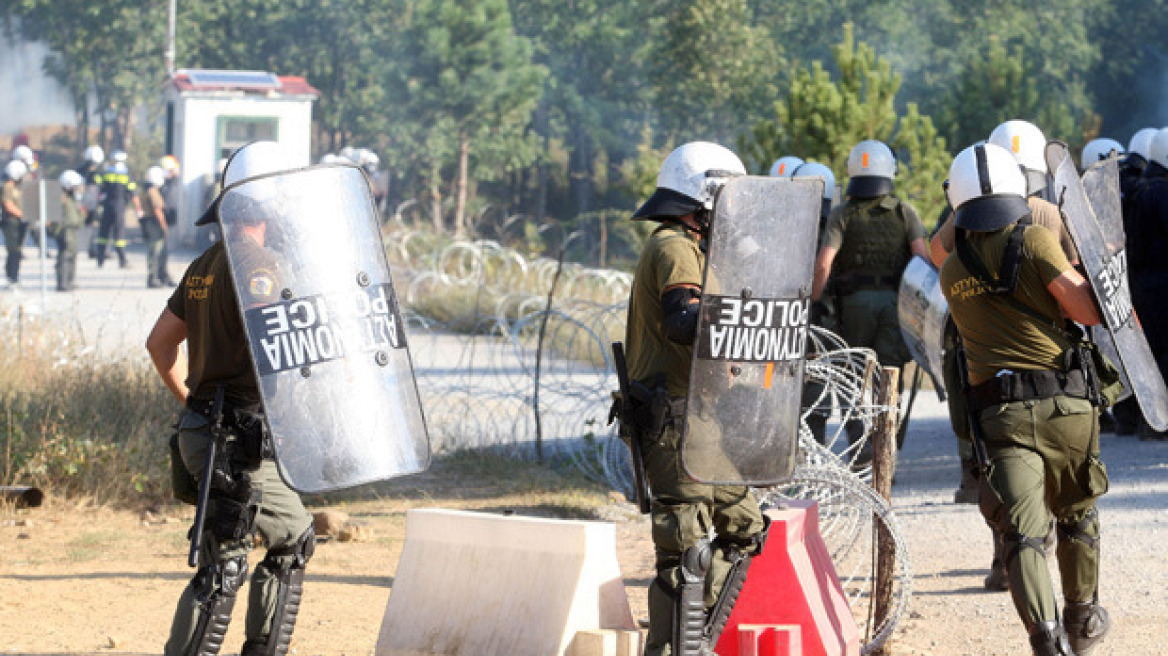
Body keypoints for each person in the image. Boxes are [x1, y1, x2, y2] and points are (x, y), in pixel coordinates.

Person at [941, 142, 1109, 656]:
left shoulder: (950, 273)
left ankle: (1046, 639)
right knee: (1076, 514)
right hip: (1066, 409)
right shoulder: (1037, 239)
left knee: (1025, 536)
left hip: (1002, 418)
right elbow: (1086, 311)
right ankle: (1083, 618)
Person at [146, 141, 315, 656]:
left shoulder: (204, 262)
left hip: (204, 430)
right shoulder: (261, 265)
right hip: (239, 439)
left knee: (225, 556)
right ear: (269, 208)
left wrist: (190, 401)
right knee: (288, 541)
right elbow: (272, 341)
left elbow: (159, 345)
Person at [624, 141, 767, 656]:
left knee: (745, 529)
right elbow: (683, 321)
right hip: (673, 420)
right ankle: (673, 649)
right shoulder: (673, 246)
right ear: (704, 197)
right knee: (687, 550)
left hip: (702, 418)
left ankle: (698, 636)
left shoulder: (702, 250)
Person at [932, 119, 1078, 590]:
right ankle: (1045, 543)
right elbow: (1075, 277)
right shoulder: (1053, 215)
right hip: (1047, 358)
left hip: (984, 356)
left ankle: (1005, 558)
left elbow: (938, 257)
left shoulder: (962, 224)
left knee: (998, 461)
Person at [1125, 127, 1168, 440]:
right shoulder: (1161, 192)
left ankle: (1146, 421)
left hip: (1140, 281)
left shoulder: (1142, 187)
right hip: (1161, 284)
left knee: (1149, 353)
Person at [93, 149, 143, 268]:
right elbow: (133, 194)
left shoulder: (106, 174)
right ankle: (122, 261)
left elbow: (99, 190)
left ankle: (100, 260)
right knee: (119, 235)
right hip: (119, 208)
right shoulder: (126, 176)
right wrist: (139, 209)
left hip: (106, 207)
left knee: (103, 234)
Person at [50, 170, 86, 291]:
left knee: (72, 254)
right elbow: (55, 217)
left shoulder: (72, 197)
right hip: (65, 230)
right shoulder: (61, 197)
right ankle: (63, 282)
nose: (77, 188)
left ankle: (69, 280)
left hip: (72, 229)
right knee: (65, 255)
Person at [141, 166, 174, 287]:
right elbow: (158, 210)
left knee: (157, 251)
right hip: (155, 224)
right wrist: (164, 226)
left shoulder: (146, 190)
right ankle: (153, 278)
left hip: (151, 222)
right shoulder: (153, 191)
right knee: (156, 251)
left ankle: (159, 276)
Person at [1, 159, 30, 287]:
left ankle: (13, 276)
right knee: (14, 251)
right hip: (11, 223)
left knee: (17, 250)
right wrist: (23, 214)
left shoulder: (17, 187)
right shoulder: (7, 187)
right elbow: (8, 205)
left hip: (18, 222)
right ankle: (12, 277)